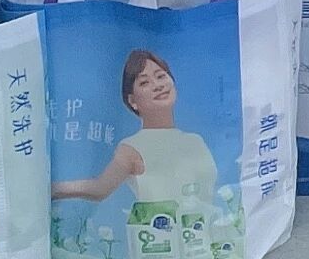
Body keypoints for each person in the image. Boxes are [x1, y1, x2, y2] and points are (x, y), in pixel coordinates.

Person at [53, 49, 220, 217]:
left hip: (208, 231)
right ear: (132, 100)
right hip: (161, 232)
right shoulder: (133, 147)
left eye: (161, 76)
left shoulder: (195, 141)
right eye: (144, 83)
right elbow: (99, 188)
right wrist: (49, 189)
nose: (158, 85)